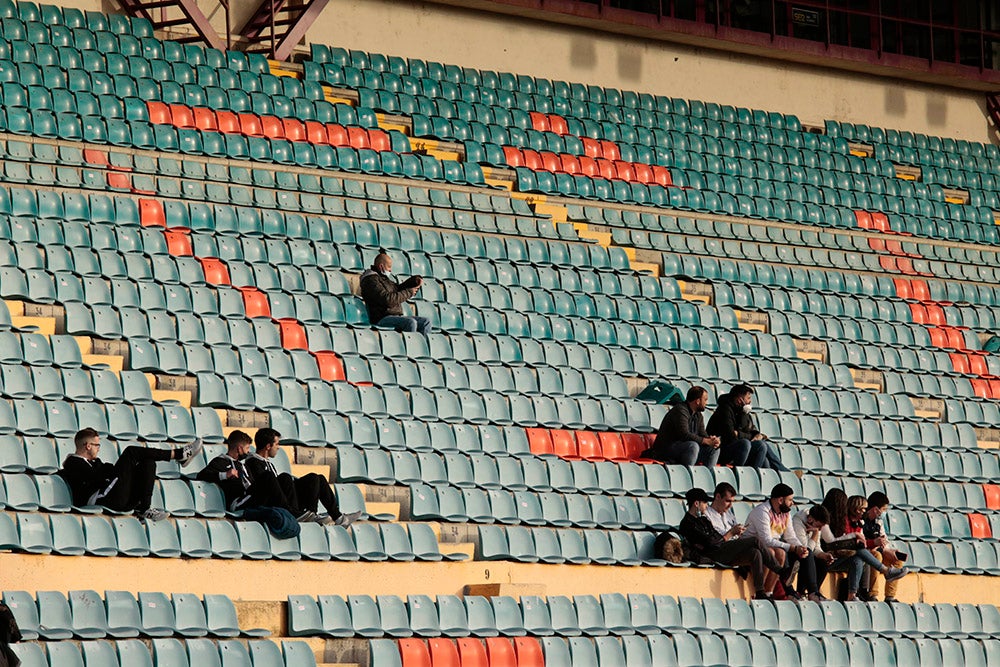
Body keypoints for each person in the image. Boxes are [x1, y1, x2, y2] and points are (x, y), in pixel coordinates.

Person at [58, 427, 202, 521]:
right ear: (88, 446)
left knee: (148, 461)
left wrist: (112, 472)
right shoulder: (73, 463)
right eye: (97, 445)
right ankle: (178, 454)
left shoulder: (95, 462)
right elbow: (97, 478)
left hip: (115, 498)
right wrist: (111, 472)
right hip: (101, 500)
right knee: (130, 452)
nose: (99, 449)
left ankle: (144, 509)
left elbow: (106, 473)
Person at [677, 488, 790, 600]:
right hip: (711, 554)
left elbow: (715, 537)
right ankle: (780, 570)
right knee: (755, 541)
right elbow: (711, 543)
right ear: (696, 503)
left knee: (755, 553)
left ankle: (760, 592)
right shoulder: (687, 523)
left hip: (720, 549)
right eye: (705, 502)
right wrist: (730, 533)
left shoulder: (702, 520)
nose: (707, 505)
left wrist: (729, 536)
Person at [245, 428, 361, 527]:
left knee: (315, 478)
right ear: (268, 446)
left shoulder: (267, 462)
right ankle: (298, 514)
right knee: (285, 477)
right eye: (277, 444)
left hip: (286, 500)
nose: (278, 447)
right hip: (274, 504)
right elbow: (265, 488)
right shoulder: (253, 463)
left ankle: (335, 517)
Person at [820, 489, 908, 601]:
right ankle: (875, 590)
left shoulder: (865, 522)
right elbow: (831, 541)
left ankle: (853, 595)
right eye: (862, 509)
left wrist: (884, 548)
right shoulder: (829, 519)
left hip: (845, 554)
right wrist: (858, 539)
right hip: (827, 557)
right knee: (868, 553)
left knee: (858, 559)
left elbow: (861, 541)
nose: (864, 512)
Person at [743, 483, 813, 598]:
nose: (792, 503)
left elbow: (790, 537)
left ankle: (768, 592)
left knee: (780, 553)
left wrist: (801, 547)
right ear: (780, 500)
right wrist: (793, 548)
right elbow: (766, 541)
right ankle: (758, 592)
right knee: (770, 552)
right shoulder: (762, 511)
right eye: (790, 500)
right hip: (751, 547)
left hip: (769, 546)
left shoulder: (786, 513)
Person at [707, 384, 788, 471]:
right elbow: (731, 435)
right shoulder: (724, 410)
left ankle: (761, 475)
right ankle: (743, 472)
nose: (750, 401)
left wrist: (756, 435)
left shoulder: (741, 411)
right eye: (748, 398)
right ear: (739, 400)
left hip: (740, 448)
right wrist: (750, 436)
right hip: (722, 449)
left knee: (764, 457)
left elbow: (749, 429)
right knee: (754, 444)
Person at [643, 386, 721, 466]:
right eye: (705, 400)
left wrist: (712, 440)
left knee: (714, 449)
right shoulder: (680, 410)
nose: (706, 403)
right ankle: (688, 474)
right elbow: (684, 434)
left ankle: (708, 475)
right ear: (697, 401)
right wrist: (705, 441)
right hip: (666, 449)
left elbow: (702, 434)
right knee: (693, 446)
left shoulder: (698, 415)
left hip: (684, 448)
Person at [359, 250, 431, 334]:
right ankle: (411, 346)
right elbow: (387, 300)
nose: (390, 270)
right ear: (381, 266)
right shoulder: (371, 280)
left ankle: (423, 346)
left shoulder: (384, 279)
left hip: (395, 316)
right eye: (389, 267)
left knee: (426, 322)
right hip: (381, 318)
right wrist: (409, 292)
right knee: (410, 322)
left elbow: (397, 288)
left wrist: (414, 280)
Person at [860, 491, 906, 603]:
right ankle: (872, 594)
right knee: (877, 556)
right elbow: (859, 542)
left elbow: (884, 540)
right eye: (884, 509)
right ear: (876, 509)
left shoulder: (878, 522)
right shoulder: (861, 520)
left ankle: (890, 596)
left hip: (878, 551)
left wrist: (888, 551)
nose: (884, 512)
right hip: (866, 553)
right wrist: (874, 545)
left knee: (897, 559)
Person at [197, 430, 256, 512]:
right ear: (239, 449)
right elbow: (201, 475)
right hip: (237, 502)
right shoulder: (220, 462)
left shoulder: (243, 466)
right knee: (268, 478)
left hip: (251, 498)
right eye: (247, 448)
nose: (248, 451)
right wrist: (225, 475)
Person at [791, 504, 834, 601]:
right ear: (810, 519)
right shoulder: (797, 522)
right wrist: (815, 534)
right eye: (818, 526)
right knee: (807, 554)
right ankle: (810, 592)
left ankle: (815, 592)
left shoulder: (815, 527)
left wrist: (824, 555)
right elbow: (805, 549)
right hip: (793, 552)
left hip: (805, 553)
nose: (819, 530)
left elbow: (816, 548)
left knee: (823, 562)